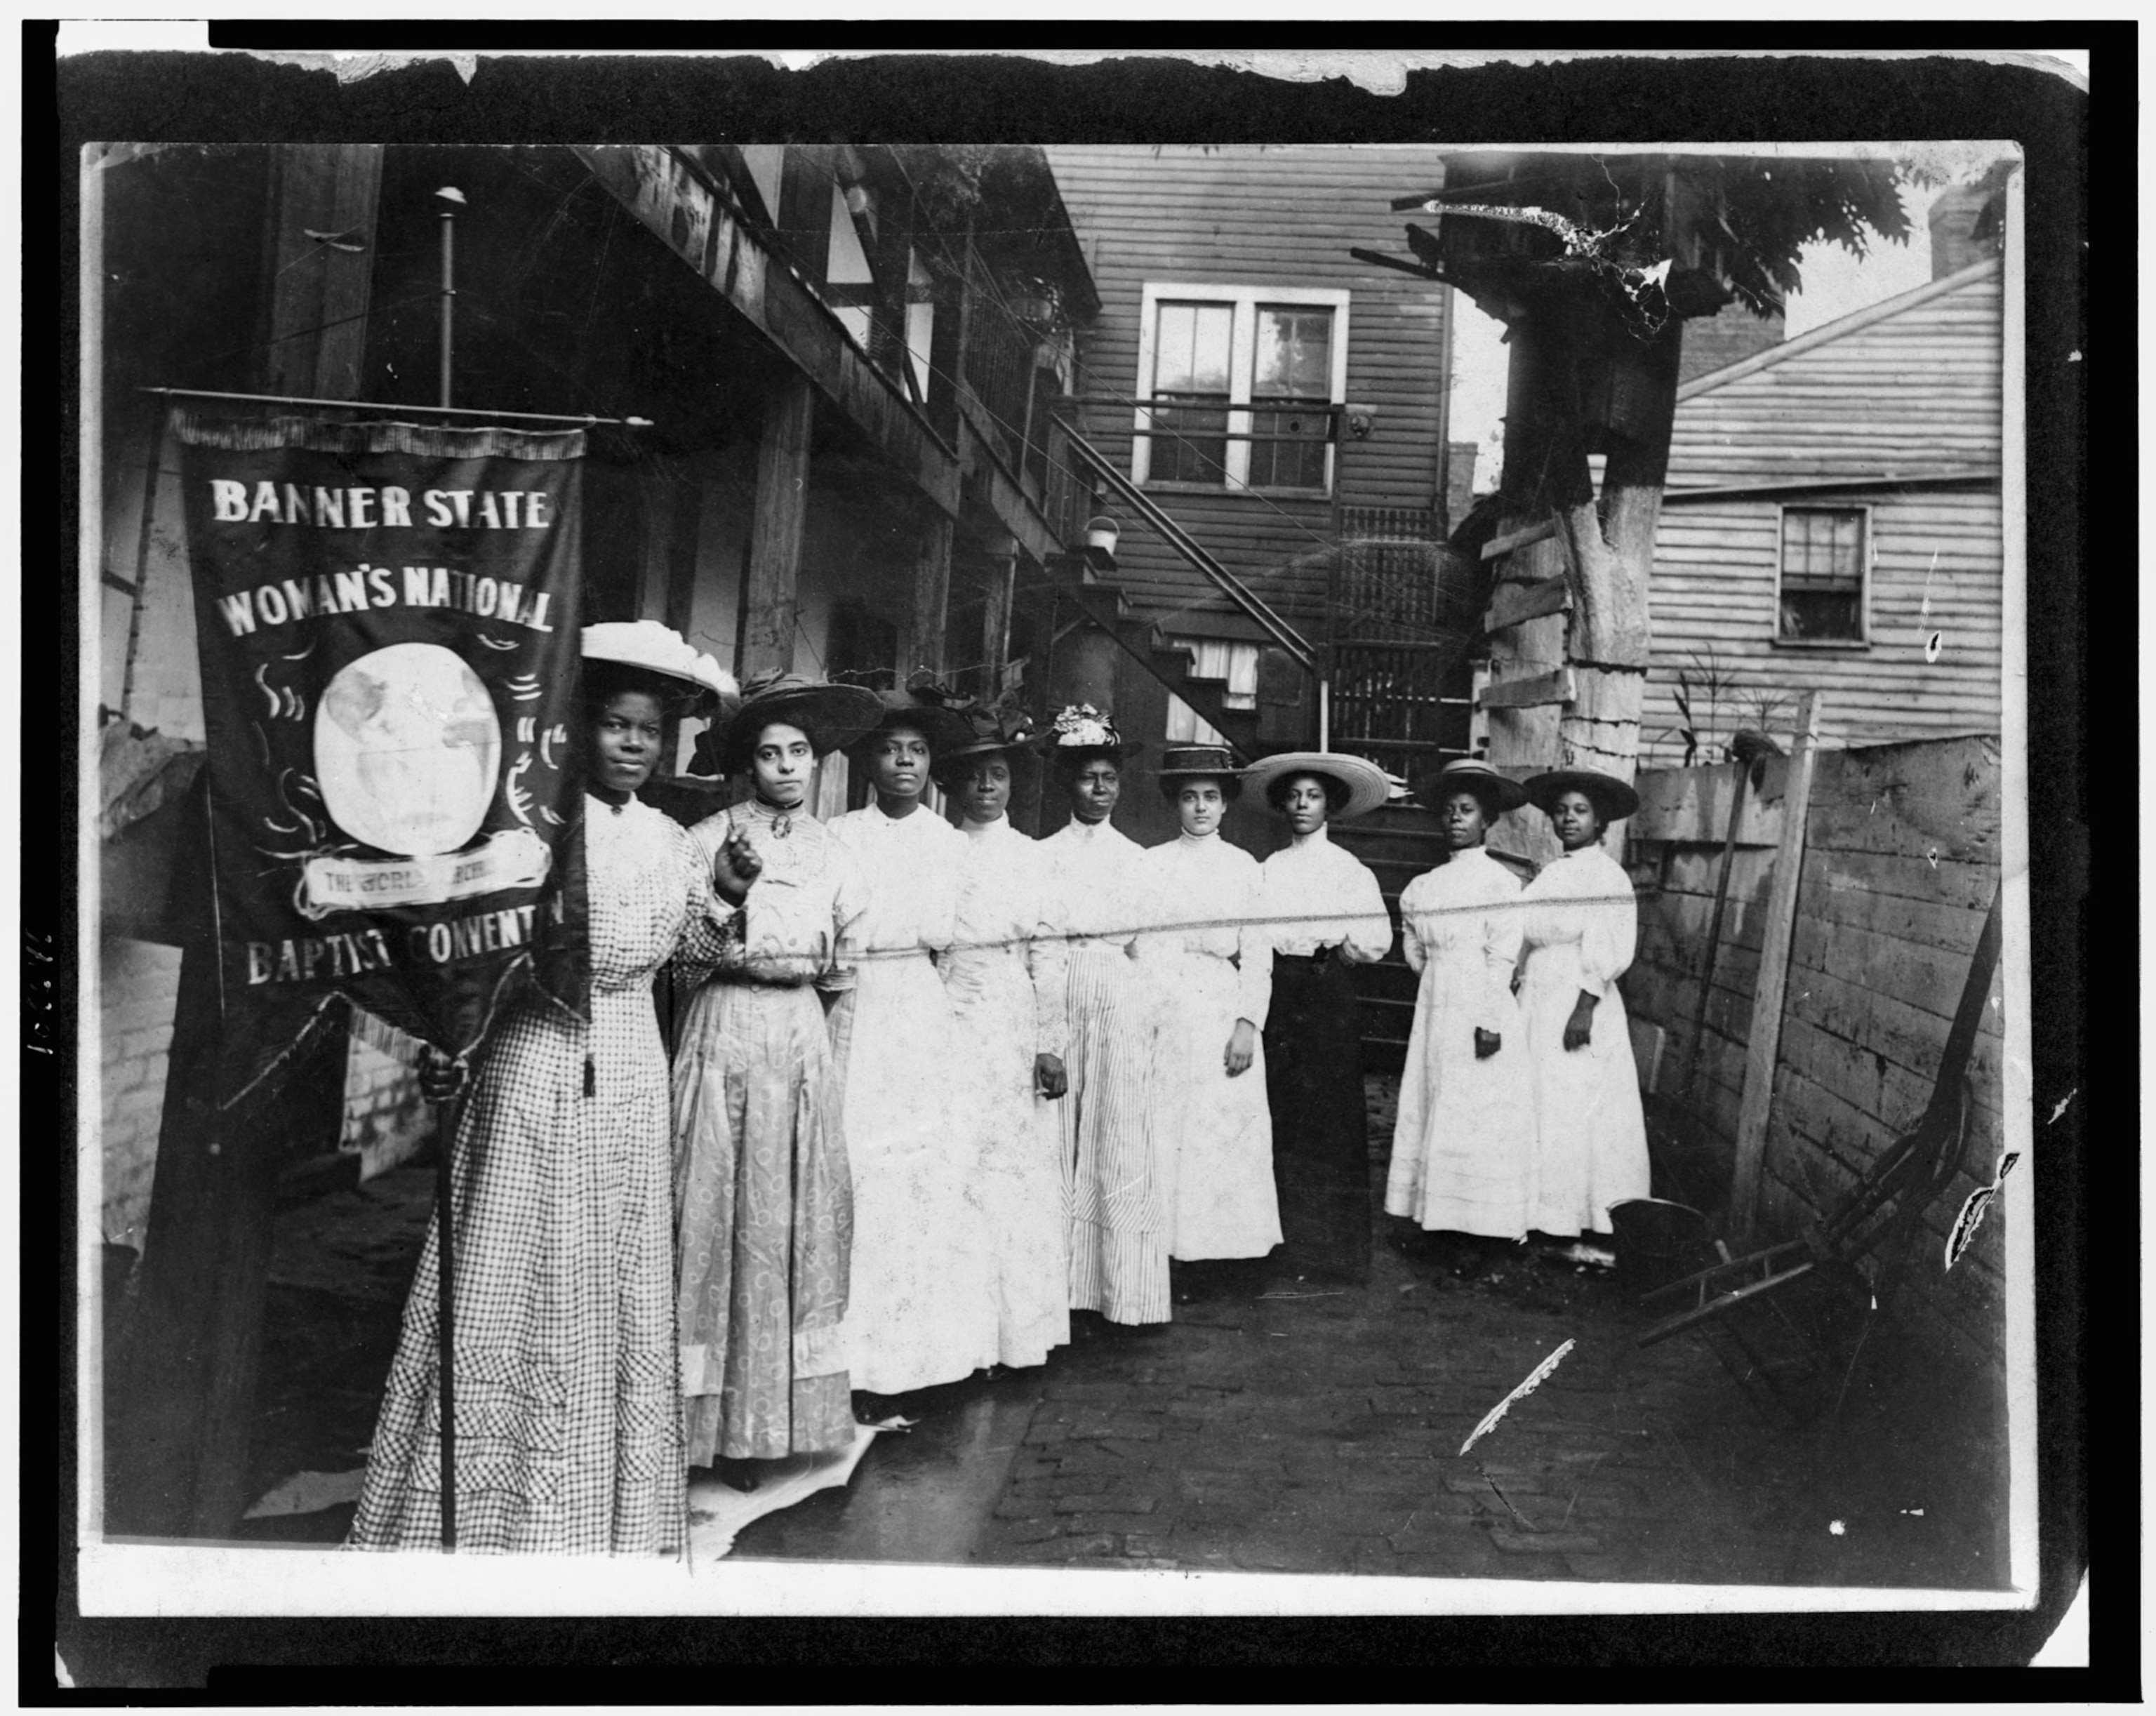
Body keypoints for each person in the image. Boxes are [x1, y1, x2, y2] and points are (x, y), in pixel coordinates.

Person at [350, 621, 736, 1555]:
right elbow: (470, 954)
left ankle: (600, 1511)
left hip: (634, 1064)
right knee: (519, 1261)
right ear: (582, 728)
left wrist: (724, 895)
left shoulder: (676, 841)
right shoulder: (534, 828)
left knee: (611, 1270)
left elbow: (691, 957)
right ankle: (494, 1511)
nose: (634, 745)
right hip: (534, 1059)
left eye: (650, 730)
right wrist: (453, 1040)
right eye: (616, 726)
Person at [671, 671, 882, 1493]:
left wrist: (829, 1075)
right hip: (723, 1027)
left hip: (799, 1039)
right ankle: (703, 1424)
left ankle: (773, 1424)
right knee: (713, 1213)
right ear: (746, 764)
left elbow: (847, 978)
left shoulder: (838, 855)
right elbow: (683, 954)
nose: (787, 768)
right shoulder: (706, 840)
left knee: (783, 1220)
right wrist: (728, 897)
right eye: (770, 754)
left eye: (799, 753)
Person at [825, 684, 997, 1405]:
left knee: (925, 1176)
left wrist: (950, 1030)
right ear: (869, 764)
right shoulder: (839, 837)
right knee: (859, 1168)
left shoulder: (951, 845)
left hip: (922, 1014)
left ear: (932, 765)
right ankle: (854, 1361)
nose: (904, 762)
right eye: (891, 750)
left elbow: (968, 953)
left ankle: (929, 1358)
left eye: (917, 751)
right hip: (858, 1008)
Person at [934, 698, 1071, 1372]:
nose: (987, 788)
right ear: (954, 785)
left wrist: (1051, 1041)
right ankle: (961, 1340)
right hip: (953, 1012)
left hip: (1014, 1017)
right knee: (957, 1166)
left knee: (1013, 1170)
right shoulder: (941, 850)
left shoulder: (1034, 858)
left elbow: (1048, 951)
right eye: (974, 777)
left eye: (998, 775)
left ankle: (1014, 1335)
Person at [1242, 750, 1395, 1284]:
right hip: (1283, 992)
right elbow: (1256, 938)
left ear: (1329, 804)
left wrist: (1338, 956)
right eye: (1295, 796)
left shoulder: (1348, 870)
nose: (1303, 805)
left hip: (1328, 993)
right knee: (1282, 1112)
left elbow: (1377, 937)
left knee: (1332, 1117)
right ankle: (1285, 1243)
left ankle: (1336, 1252)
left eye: (1313, 796)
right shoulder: (1269, 869)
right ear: (1283, 804)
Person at [1384, 757, 1538, 1278]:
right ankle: (1441, 1226)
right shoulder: (1425, 886)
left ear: (1487, 819)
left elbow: (1503, 955)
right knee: (1436, 1104)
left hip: (1481, 1005)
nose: (1456, 819)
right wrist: (1438, 975)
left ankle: (1486, 1233)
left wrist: (1490, 1015)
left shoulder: (1499, 883)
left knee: (1478, 1114)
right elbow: (1414, 947)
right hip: (1438, 1007)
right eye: (1449, 810)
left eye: (1467, 810)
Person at [1036, 707, 1165, 1326]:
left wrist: (1146, 1015)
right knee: (1058, 1133)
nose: (1099, 787)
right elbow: (1040, 943)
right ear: (1069, 783)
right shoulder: (1044, 856)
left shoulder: (1138, 860)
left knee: (1116, 1133)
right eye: (1088, 776)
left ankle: (1121, 1292)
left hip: (1118, 991)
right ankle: (1059, 1289)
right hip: (1061, 985)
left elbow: (1151, 948)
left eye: (1108, 777)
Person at [1137, 743, 1282, 1277]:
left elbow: (1258, 951)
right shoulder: (1152, 864)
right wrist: (1151, 1013)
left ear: (1226, 806)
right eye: (1190, 797)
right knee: (1171, 1122)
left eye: (1211, 797)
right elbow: (1145, 945)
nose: (1200, 807)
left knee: (1224, 1125)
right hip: (1170, 998)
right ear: (1175, 804)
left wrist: (1248, 1023)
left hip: (1222, 1001)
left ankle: (1228, 1253)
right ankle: (1172, 1250)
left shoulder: (1245, 868)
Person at [1518, 767, 1653, 1239]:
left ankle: (1579, 1213)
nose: (1568, 819)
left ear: (1600, 823)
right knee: (1540, 1097)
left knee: (1573, 1101)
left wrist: (1583, 1007)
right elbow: (1527, 933)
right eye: (1561, 811)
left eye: (1580, 811)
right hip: (1539, 995)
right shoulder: (1553, 873)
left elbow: (1609, 945)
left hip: (1577, 998)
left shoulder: (1606, 875)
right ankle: (1539, 1210)